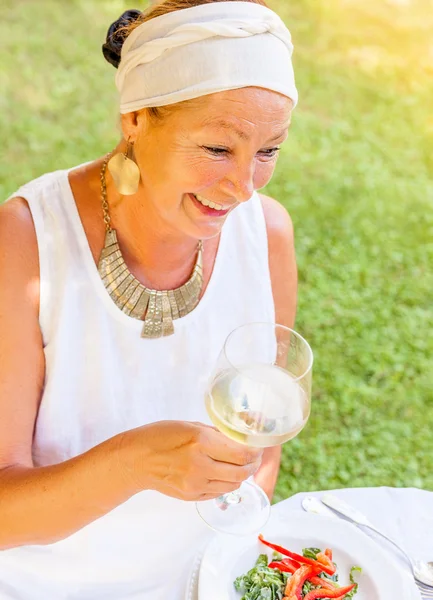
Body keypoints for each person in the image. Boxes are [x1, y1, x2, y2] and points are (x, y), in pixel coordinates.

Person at [0, 0, 298, 597]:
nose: (242, 186)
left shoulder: (267, 232)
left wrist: (229, 560)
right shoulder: (26, 241)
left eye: (268, 151)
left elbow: (263, 440)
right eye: (217, 149)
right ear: (135, 118)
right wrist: (135, 462)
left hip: (211, 573)